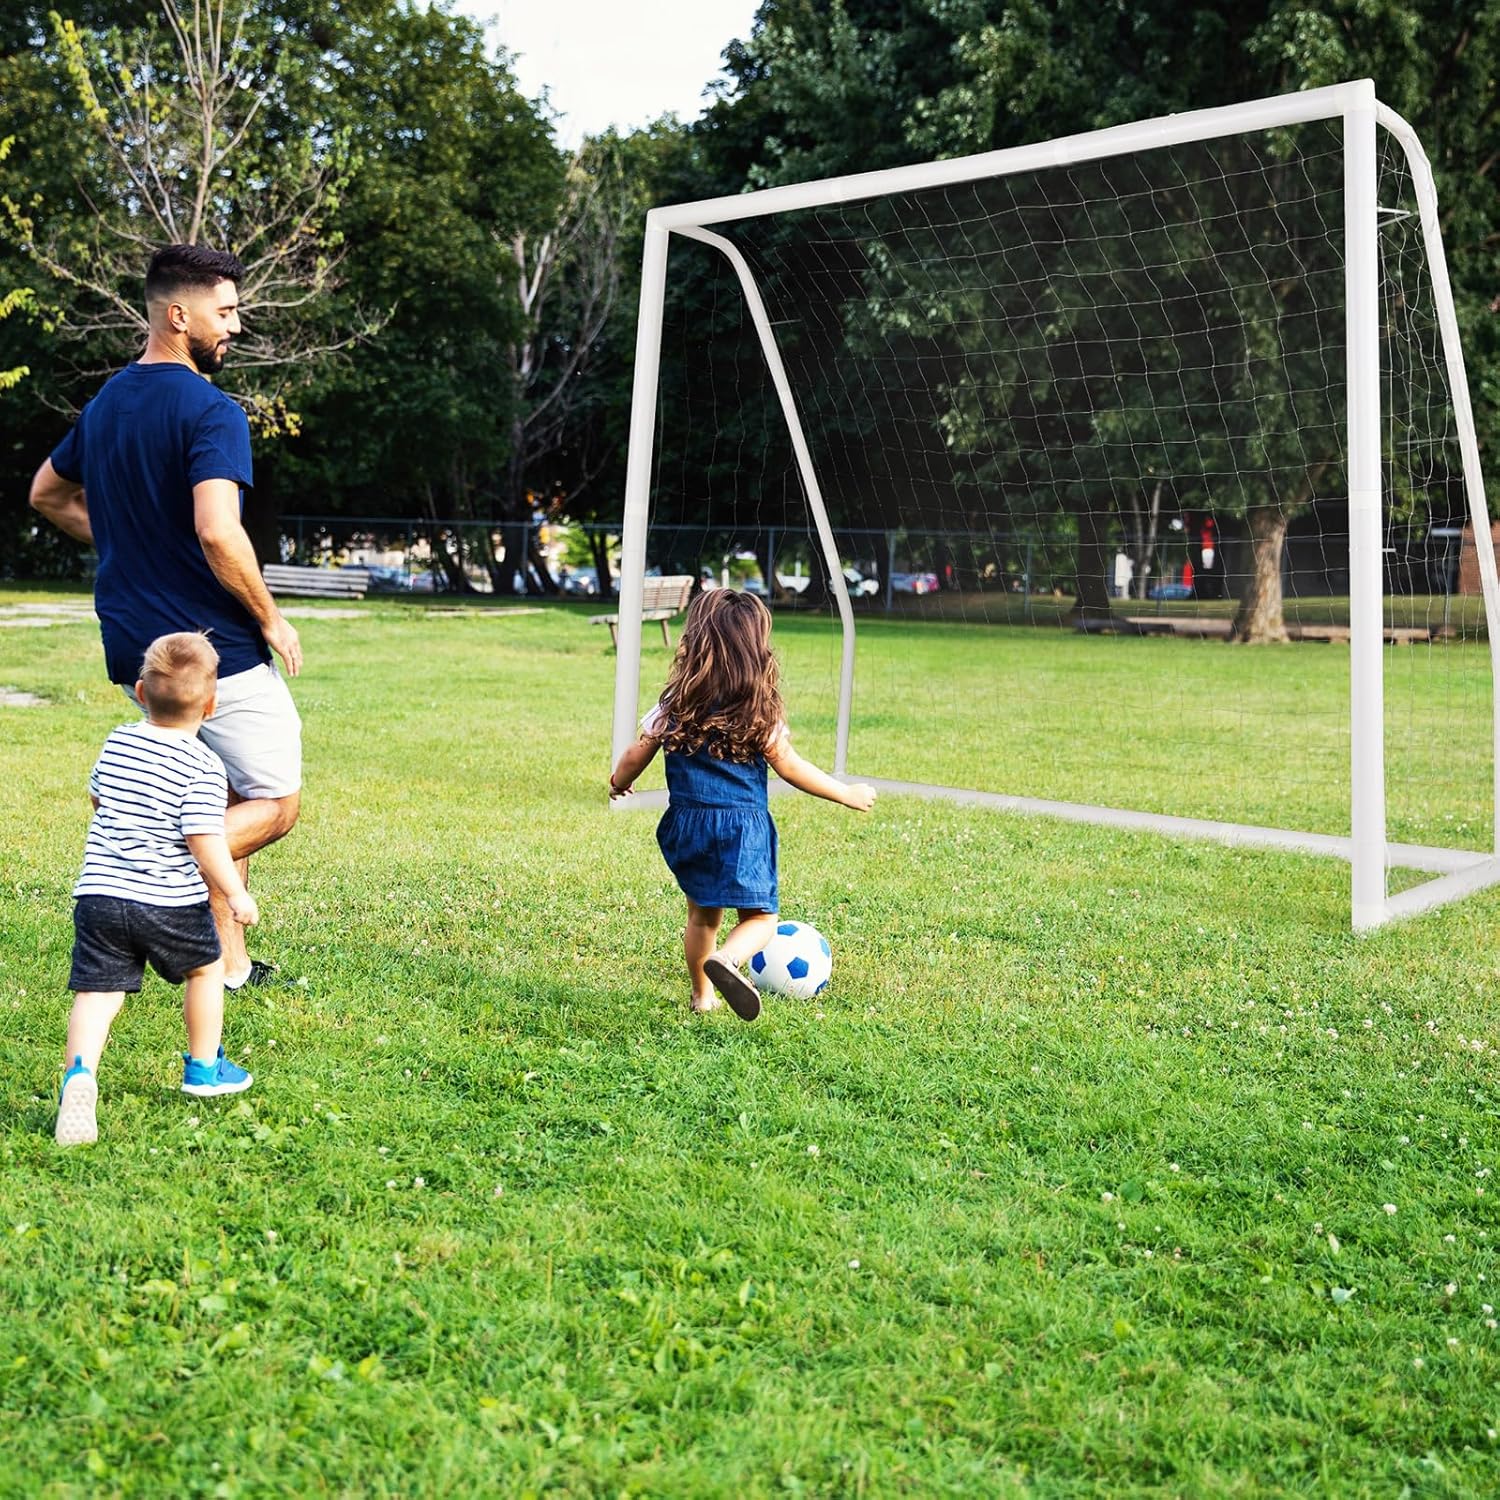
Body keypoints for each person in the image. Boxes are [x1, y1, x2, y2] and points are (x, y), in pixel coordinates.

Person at [28, 244, 303, 991]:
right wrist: (272, 619)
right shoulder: (213, 411)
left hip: (136, 654)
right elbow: (219, 530)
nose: (235, 327)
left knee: (222, 791)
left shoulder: (105, 404)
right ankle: (141, 859)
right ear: (179, 316)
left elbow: (46, 495)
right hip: (217, 652)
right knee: (275, 804)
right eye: (226, 311)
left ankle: (231, 964)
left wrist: (123, 537)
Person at [608, 589, 876, 1020]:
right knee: (761, 918)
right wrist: (845, 793)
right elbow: (790, 766)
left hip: (686, 825)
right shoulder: (758, 710)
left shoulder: (675, 703)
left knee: (702, 917)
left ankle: (702, 997)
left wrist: (619, 782)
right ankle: (729, 961)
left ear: (696, 645)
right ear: (756, 650)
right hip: (741, 828)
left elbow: (637, 753)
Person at [55, 633, 260, 1147]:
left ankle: (79, 1074)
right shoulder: (203, 766)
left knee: (97, 993)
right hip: (167, 900)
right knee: (206, 969)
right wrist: (234, 893)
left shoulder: (118, 741)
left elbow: (100, 799)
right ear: (210, 705)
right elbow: (204, 839)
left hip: (100, 895)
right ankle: (204, 1068)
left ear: (142, 692)